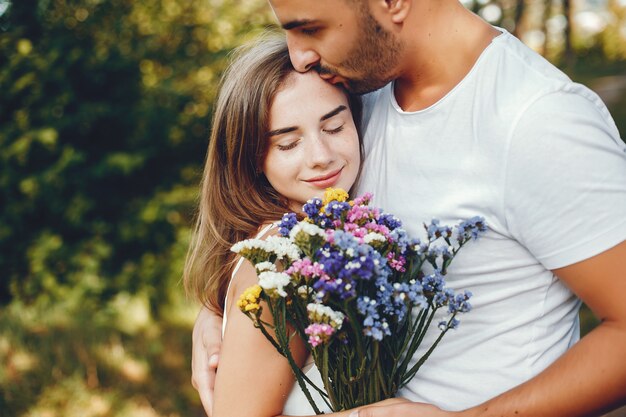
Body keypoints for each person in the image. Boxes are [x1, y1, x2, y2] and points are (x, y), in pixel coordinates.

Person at [192, 1, 626, 416]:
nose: (300, 56)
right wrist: (226, 319)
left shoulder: (537, 122)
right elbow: (280, 214)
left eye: (310, 28)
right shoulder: (359, 92)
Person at [184, 34, 367, 416]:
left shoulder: (319, 238)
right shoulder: (279, 266)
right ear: (251, 158)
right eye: (287, 144)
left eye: (334, 128)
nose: (321, 156)